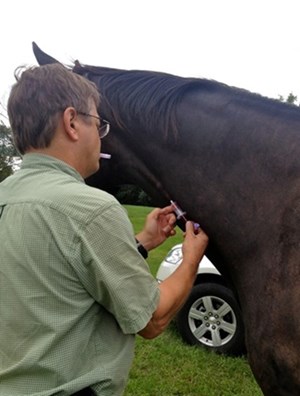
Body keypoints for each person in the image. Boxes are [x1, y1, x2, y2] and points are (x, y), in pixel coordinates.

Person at [0, 63, 208, 396]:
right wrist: (190, 260)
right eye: (98, 123)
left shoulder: (7, 196)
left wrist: (141, 243)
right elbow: (152, 320)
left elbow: (61, 275)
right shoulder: (90, 209)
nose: (101, 135)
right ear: (71, 122)